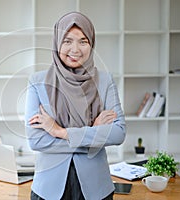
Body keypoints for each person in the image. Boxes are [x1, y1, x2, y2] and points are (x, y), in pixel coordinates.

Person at [25, 12, 126, 200]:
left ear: (91, 43)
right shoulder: (38, 82)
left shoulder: (105, 81)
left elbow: (118, 133)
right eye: (67, 41)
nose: (75, 49)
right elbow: (36, 140)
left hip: (96, 188)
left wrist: (59, 132)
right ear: (57, 43)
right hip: (48, 189)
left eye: (83, 41)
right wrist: (93, 134)